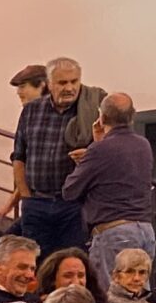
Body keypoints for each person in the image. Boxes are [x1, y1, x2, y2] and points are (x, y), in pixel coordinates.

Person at [9, 56, 103, 253]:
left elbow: (109, 154)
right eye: (62, 83)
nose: (69, 88)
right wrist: (27, 198)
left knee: (73, 262)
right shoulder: (32, 111)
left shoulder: (92, 110)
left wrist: (90, 155)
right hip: (37, 203)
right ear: (49, 84)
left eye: (74, 81)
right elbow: (19, 156)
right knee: (36, 264)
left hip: (73, 205)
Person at [63, 90, 155, 279]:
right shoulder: (143, 145)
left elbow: (70, 191)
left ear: (102, 117)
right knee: (137, 296)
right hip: (145, 231)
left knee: (109, 300)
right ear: (132, 116)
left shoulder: (100, 150)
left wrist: (91, 152)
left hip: (115, 233)